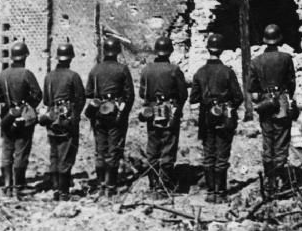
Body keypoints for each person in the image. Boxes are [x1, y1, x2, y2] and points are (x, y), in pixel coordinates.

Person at [190, 34, 243, 204]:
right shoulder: (228, 72)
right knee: (222, 154)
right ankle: (221, 192)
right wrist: (227, 106)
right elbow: (238, 97)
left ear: (207, 49)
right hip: (225, 119)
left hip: (206, 119)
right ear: (221, 50)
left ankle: (211, 191)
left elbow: (193, 99)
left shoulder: (199, 73)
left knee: (208, 155)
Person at [248, 24, 297, 195]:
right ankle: (281, 180)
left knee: (268, 140)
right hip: (282, 103)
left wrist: (262, 98)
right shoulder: (286, 58)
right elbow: (292, 83)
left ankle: (270, 181)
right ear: (279, 39)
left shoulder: (256, 61)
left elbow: (252, 91)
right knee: (282, 140)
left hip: (265, 104)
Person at [85, 35, 134, 198]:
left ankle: (100, 185)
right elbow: (130, 95)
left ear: (104, 51)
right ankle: (111, 186)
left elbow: (89, 93)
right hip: (116, 115)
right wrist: (123, 114)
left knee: (100, 151)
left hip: (99, 114)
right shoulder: (122, 69)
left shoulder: (95, 69)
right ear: (118, 51)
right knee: (114, 150)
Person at [139, 35, 188, 196]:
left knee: (153, 147)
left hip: (151, 113)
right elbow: (183, 94)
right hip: (170, 112)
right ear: (170, 51)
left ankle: (153, 185)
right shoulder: (174, 70)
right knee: (168, 146)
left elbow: (142, 93)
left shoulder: (146, 70)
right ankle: (165, 185)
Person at [0, 41, 42, 198]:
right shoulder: (27, 74)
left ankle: (7, 186)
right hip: (23, 117)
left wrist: (9, 106)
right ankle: (18, 186)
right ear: (24, 57)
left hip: (7, 117)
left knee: (7, 150)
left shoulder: (3, 74)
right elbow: (38, 95)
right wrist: (27, 106)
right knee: (21, 151)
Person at [41, 42, 85, 201]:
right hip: (67, 122)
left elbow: (46, 100)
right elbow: (80, 100)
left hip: (52, 119)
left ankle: (55, 189)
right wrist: (74, 117)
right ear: (70, 58)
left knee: (54, 154)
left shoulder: (49, 77)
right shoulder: (73, 76)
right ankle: (64, 192)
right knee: (66, 155)